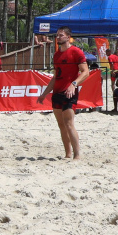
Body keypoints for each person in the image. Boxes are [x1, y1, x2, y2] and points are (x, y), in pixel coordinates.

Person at [36, 26, 88, 160]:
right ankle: (68, 154)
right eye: (57, 35)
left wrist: (74, 84)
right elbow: (55, 77)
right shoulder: (57, 54)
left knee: (69, 123)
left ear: (67, 36)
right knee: (61, 125)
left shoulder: (76, 52)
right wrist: (44, 94)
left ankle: (77, 155)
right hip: (57, 92)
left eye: (60, 35)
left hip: (69, 92)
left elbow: (85, 72)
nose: (57, 37)